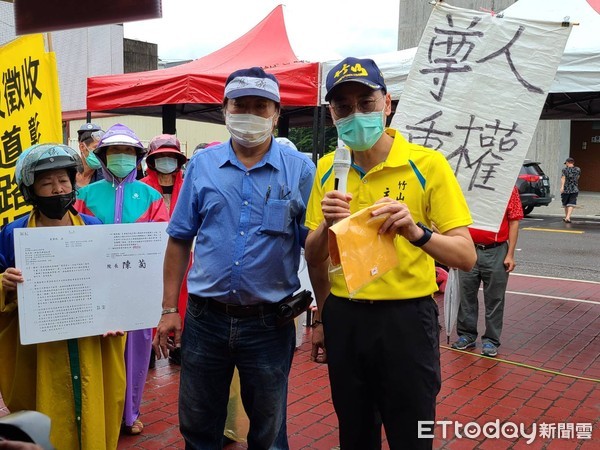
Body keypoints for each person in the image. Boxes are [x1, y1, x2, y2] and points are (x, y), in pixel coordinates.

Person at [304, 57, 476, 450]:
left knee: (412, 435)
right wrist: (323, 316)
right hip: (345, 315)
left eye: (365, 102)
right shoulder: (329, 168)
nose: (355, 114)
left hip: (406, 320)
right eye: (343, 107)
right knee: (355, 433)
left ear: (387, 104)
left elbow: (465, 256)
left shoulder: (426, 165)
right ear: (331, 114)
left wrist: (416, 231)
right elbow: (314, 256)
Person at [153, 67, 315, 449]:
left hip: (269, 324)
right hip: (204, 319)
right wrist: (167, 309)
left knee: (269, 432)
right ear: (225, 108)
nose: (251, 114)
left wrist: (321, 315)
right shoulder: (202, 166)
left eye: (261, 106)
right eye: (241, 104)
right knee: (197, 426)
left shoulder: (302, 170)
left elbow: (317, 246)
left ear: (276, 113)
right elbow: (179, 239)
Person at [0, 144, 126, 449]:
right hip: (39, 351)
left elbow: (115, 285)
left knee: (94, 405)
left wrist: (118, 314)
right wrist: (4, 284)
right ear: (30, 191)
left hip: (90, 343)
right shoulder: (11, 235)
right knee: (45, 414)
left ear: (73, 183)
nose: (58, 190)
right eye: (46, 183)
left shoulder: (95, 228)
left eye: (63, 181)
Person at [74, 124, 169, 436]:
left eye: (128, 151)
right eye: (115, 150)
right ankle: (100, 409)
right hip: (94, 287)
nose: (122, 156)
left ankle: (130, 412)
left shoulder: (152, 196)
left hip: (136, 289)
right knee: (97, 348)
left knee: (136, 350)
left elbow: (161, 244)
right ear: (103, 156)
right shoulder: (84, 195)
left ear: (138, 156)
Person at [453, 186, 524, 357]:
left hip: (496, 250)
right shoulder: (467, 184)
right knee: (466, 294)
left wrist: (510, 254)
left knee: (495, 298)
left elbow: (514, 220)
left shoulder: (507, 187)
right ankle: (466, 335)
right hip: (469, 248)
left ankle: (491, 340)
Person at [140, 134, 189, 365]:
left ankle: (180, 344)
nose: (167, 161)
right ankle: (147, 347)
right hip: (149, 257)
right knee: (149, 299)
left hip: (185, 256)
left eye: (171, 157)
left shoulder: (189, 185)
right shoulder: (141, 189)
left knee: (183, 298)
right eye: (162, 157)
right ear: (152, 160)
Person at [560, 157, 581, 223]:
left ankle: (567, 217)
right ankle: (567, 217)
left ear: (567, 163)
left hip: (566, 188)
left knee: (566, 203)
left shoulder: (564, 170)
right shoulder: (578, 169)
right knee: (572, 203)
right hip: (574, 188)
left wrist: (562, 187)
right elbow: (578, 177)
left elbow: (563, 178)